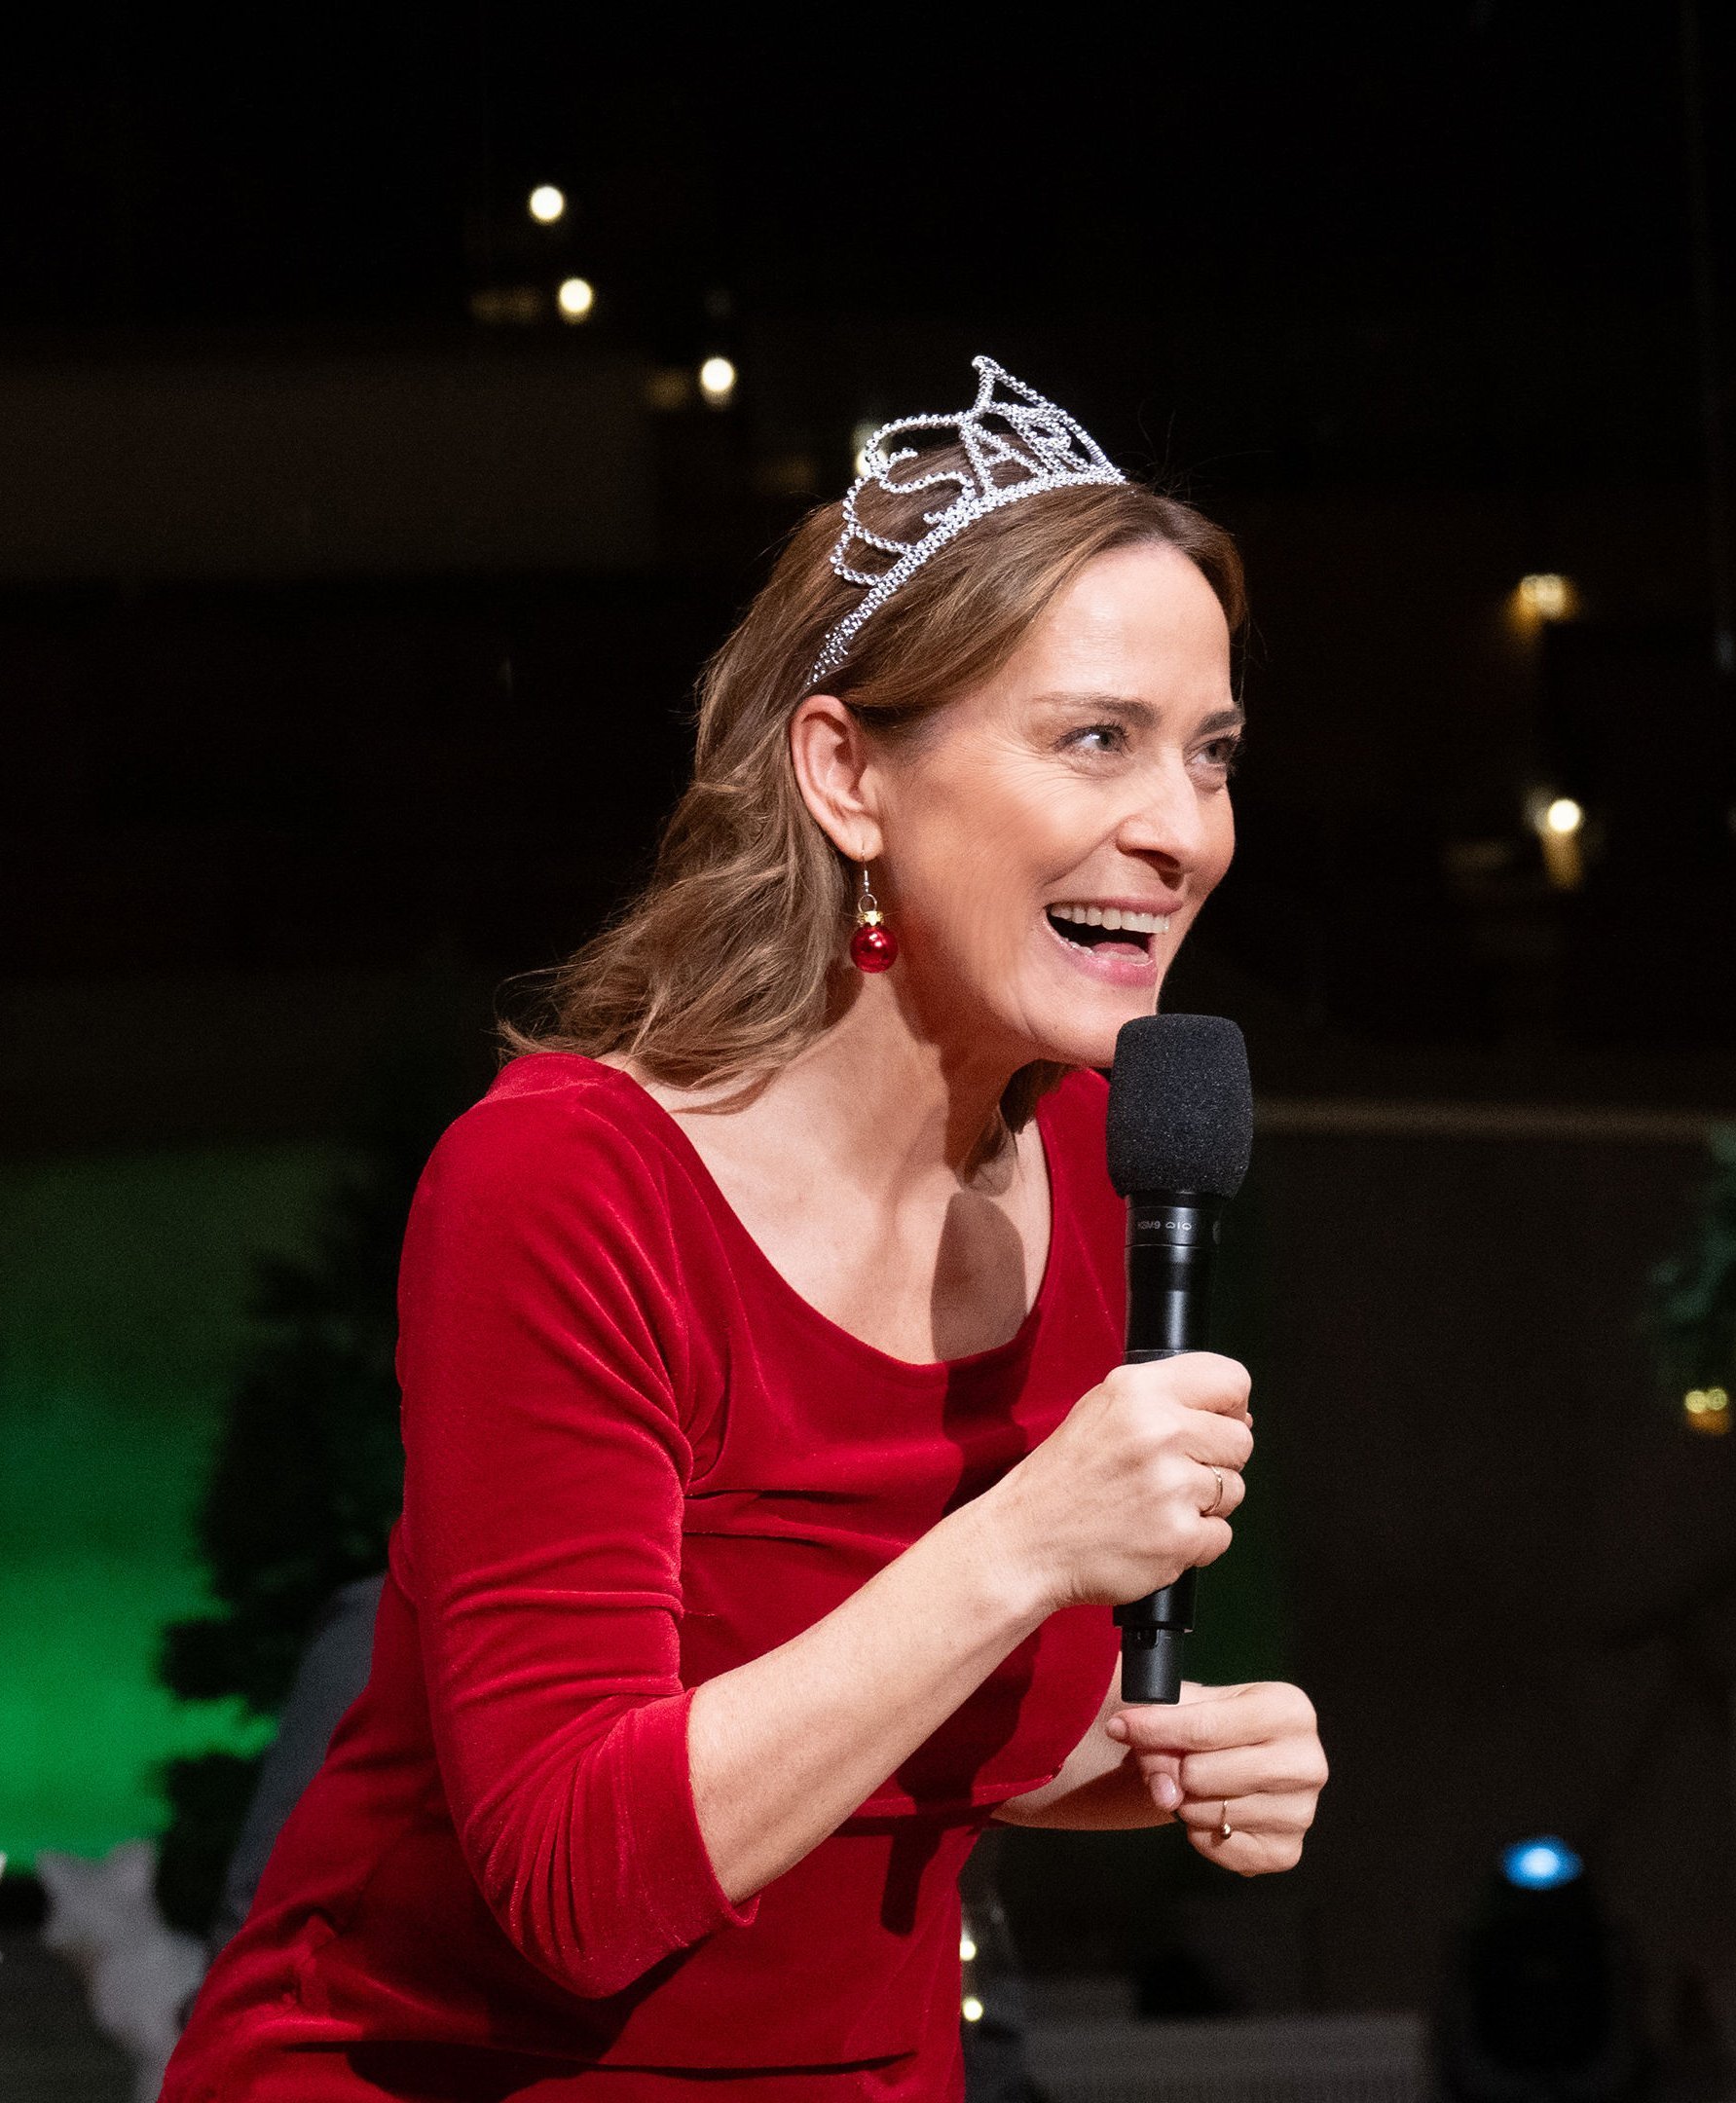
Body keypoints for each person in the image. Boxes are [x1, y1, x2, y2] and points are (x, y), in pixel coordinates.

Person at [163, 358, 1331, 2101]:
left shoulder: (1106, 1164)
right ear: (847, 774)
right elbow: (573, 1880)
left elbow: (895, 1740)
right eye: (1097, 739)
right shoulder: (570, 1184)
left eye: (1210, 756)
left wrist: (1142, 1761)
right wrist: (1022, 1546)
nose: (1180, 832)